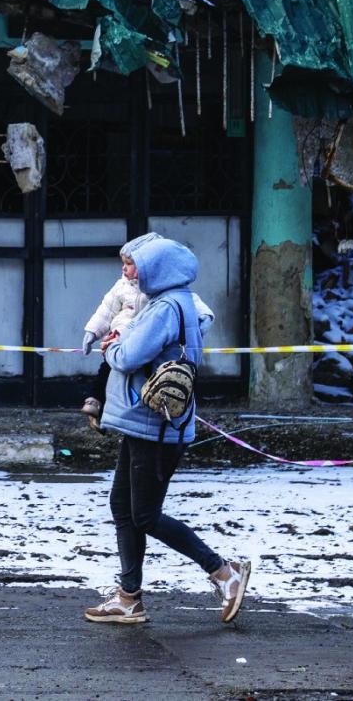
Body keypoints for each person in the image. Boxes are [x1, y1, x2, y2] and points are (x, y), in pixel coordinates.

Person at [82, 234, 251, 626]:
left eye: (137, 266)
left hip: (155, 427)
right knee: (123, 508)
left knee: (144, 515)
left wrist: (110, 347)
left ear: (156, 269)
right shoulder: (176, 302)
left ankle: (224, 572)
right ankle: (129, 598)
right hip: (144, 424)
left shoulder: (163, 308)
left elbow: (127, 356)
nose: (131, 274)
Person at [79, 233, 212, 426]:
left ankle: (108, 411)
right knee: (109, 371)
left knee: (133, 376)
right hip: (121, 339)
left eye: (131, 263)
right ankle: (99, 404)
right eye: (123, 262)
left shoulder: (165, 302)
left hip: (138, 345)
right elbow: (106, 310)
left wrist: (201, 322)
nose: (124, 268)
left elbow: (197, 308)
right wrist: (93, 331)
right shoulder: (123, 286)